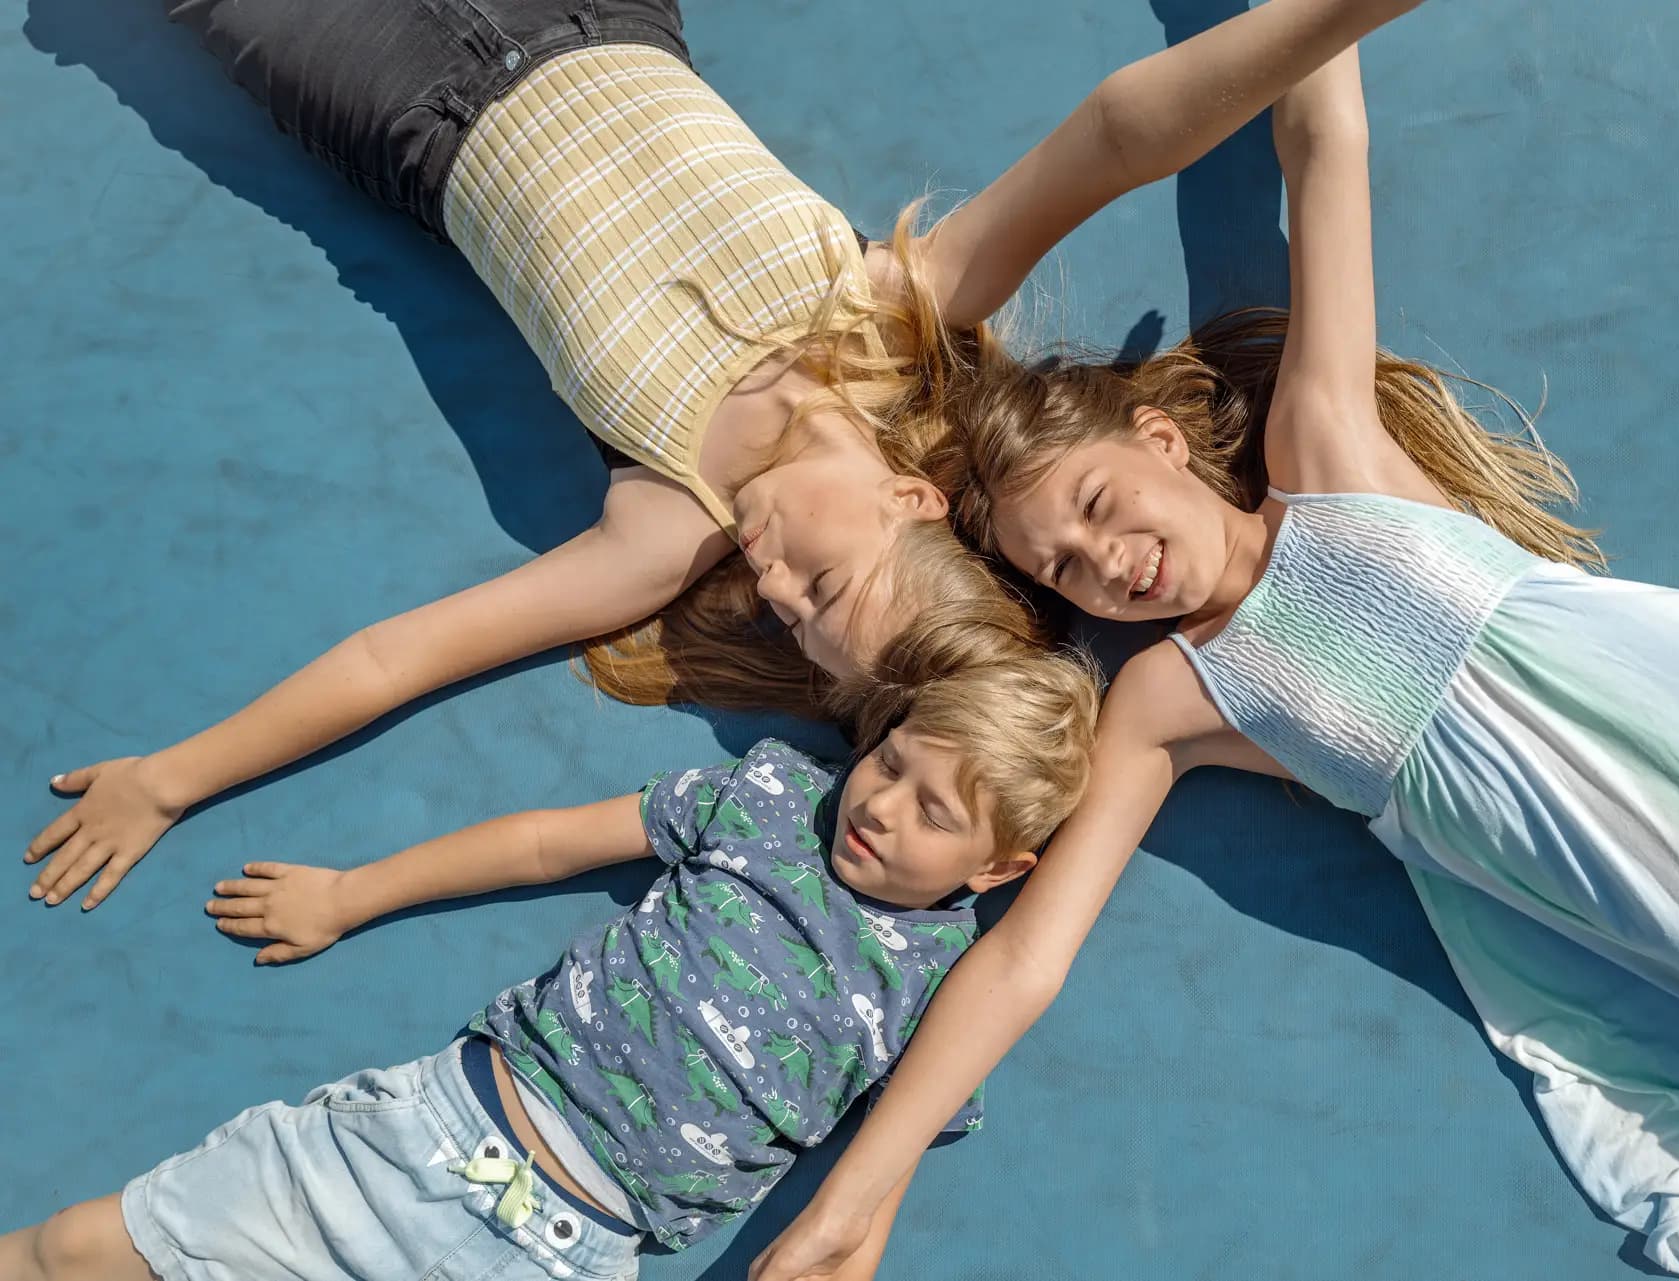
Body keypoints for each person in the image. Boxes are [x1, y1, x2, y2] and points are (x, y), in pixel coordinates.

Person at [752, 42, 1679, 1281]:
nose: (1107, 563)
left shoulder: (1326, 454)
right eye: (1065, 571)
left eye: (1096, 506)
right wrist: (847, 1208)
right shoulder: (1167, 697)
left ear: (1161, 441)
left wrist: (1297, 24)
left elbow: (1324, 147)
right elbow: (1025, 957)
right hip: (1639, 883)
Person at [24, 0, 1407, 912]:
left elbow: (399, 656)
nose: (774, 588)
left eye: (793, 622)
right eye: (826, 586)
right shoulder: (893, 309)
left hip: (400, 105)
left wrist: (173, 778)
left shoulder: (661, 523)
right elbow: (1117, 136)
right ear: (914, 496)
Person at [0, 646, 1101, 1281]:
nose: (884, 805)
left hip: (564, 1258)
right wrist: (350, 892)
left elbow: (882, 1170)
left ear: (999, 868)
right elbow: (544, 843)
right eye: (892, 761)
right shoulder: (771, 799)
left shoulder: (949, 989)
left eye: (934, 813)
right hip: (430, 1139)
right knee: (83, 1247)